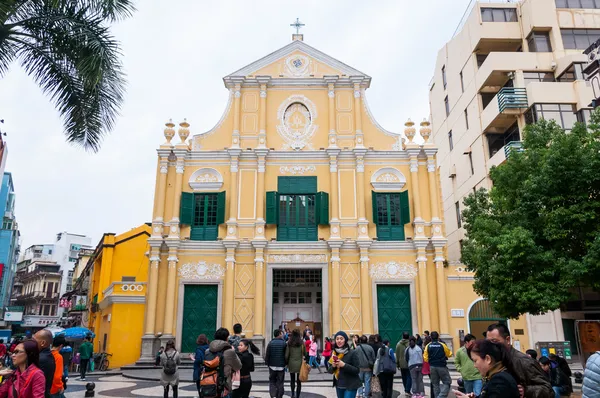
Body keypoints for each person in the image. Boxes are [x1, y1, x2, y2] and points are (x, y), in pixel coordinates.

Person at [486, 323, 554, 398]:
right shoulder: (493, 361)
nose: (490, 345)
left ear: (508, 340)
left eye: (494, 341)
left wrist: (525, 391)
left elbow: (548, 390)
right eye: (488, 342)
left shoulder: (524, 361)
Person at [455, 339, 519, 398]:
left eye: (475, 361)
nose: (475, 365)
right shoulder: (496, 376)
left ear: (488, 359)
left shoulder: (500, 380)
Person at [209, 328, 242, 396]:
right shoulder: (229, 351)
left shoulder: (207, 350)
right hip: (224, 385)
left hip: (210, 382)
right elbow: (238, 366)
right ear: (226, 338)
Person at [328, 331, 361, 398]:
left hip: (351, 385)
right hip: (339, 385)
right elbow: (330, 371)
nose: (339, 341)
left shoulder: (352, 353)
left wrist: (344, 365)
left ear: (345, 340)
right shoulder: (333, 353)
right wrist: (333, 366)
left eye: (341, 339)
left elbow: (357, 370)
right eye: (337, 339)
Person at [424, 331, 452, 398]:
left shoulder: (428, 346)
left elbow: (425, 358)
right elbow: (449, 354)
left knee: (435, 384)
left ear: (431, 337)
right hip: (441, 366)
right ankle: (441, 396)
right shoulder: (442, 345)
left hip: (432, 367)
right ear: (438, 337)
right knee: (447, 382)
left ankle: (437, 396)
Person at [33, 329, 56, 398]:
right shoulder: (47, 355)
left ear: (42, 343)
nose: (31, 343)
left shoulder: (41, 359)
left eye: (34, 341)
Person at [266, 329, 286, 398]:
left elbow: (267, 354)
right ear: (279, 334)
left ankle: (273, 395)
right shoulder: (284, 343)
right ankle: (279, 395)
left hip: (272, 366)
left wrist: (267, 363)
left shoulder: (270, 343)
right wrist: (285, 363)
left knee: (272, 381)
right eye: (282, 333)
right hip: (281, 366)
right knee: (280, 382)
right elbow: (286, 355)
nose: (283, 335)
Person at [285, 330, 305, 398]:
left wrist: (286, 362)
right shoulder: (302, 343)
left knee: (292, 380)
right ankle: (298, 395)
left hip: (291, 363)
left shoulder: (289, 343)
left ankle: (293, 394)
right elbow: (305, 353)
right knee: (299, 381)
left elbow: (286, 355)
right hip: (300, 364)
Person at [395, 332, 412, 397]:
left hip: (401, 363)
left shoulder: (398, 344)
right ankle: (407, 390)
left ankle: (406, 389)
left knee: (404, 377)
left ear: (402, 336)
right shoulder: (410, 344)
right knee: (409, 377)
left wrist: (397, 364)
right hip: (409, 363)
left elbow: (397, 354)